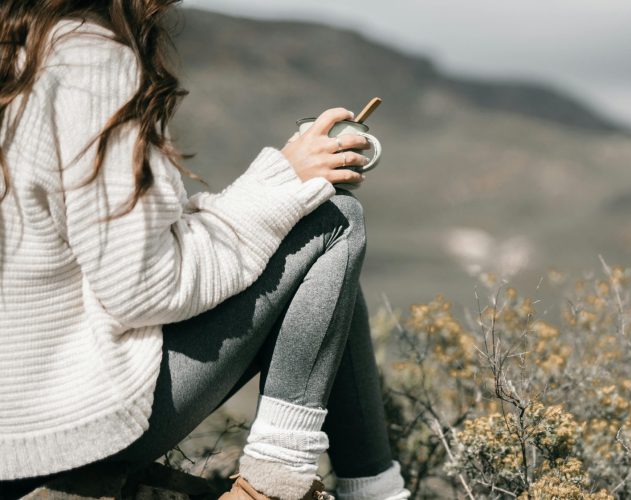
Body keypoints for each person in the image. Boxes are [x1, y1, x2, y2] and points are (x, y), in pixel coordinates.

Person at [0, 1, 408, 499]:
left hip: (16, 432)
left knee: (320, 258)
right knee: (333, 223)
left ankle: (376, 493)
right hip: (67, 432)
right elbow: (148, 286)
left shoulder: (20, 52)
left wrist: (282, 183)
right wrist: (283, 183)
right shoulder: (88, 61)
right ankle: (274, 486)